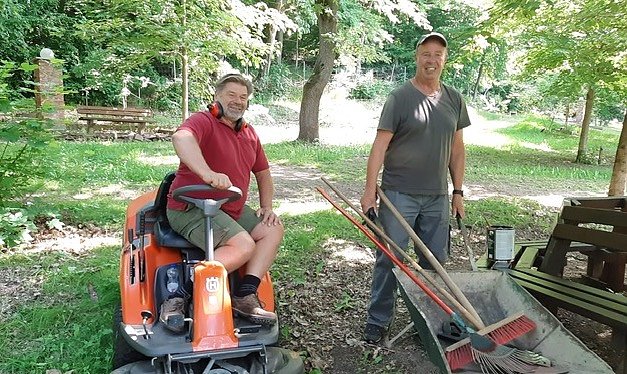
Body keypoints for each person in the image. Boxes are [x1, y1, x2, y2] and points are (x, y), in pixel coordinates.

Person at [359, 32, 471, 344]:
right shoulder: (400, 98)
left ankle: (431, 323)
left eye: (438, 54)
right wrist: (370, 190)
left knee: (435, 263)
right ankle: (377, 321)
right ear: (416, 57)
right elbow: (379, 146)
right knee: (390, 259)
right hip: (399, 194)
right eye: (426, 54)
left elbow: (457, 149)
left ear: (445, 59)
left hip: (437, 196)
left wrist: (458, 191)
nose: (431, 60)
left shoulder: (454, 99)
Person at [164, 73, 283, 328]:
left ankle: (244, 295)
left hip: (229, 208)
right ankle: (178, 293)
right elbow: (181, 138)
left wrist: (267, 206)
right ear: (217, 96)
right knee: (243, 246)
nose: (238, 101)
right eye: (231, 95)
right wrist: (206, 173)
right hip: (191, 206)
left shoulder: (249, 134)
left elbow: (263, 173)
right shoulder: (202, 121)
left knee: (273, 228)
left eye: (243, 97)